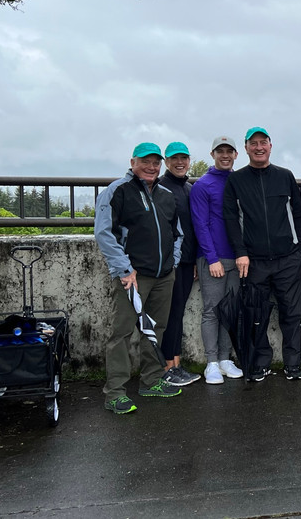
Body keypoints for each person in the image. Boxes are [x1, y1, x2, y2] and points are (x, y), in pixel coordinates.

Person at [94, 142, 182, 414]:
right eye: (145, 161)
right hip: (132, 276)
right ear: (133, 162)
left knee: (156, 329)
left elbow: (177, 233)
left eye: (156, 162)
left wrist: (173, 261)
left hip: (164, 275)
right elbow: (104, 233)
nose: (151, 167)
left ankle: (151, 381)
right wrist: (124, 268)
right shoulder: (117, 190)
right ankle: (115, 393)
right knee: (121, 333)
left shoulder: (166, 195)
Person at [223, 127, 301, 382]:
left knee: (291, 314)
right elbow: (230, 219)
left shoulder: (285, 176)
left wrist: (299, 248)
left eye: (263, 142)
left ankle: (293, 363)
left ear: (271, 146)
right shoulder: (236, 180)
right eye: (254, 143)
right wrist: (240, 253)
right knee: (256, 316)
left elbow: (299, 214)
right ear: (246, 149)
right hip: (253, 261)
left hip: (288, 259)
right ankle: (260, 363)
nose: (259, 147)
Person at [190, 135, 244, 384]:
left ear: (235, 155)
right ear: (212, 154)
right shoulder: (203, 185)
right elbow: (200, 225)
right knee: (212, 310)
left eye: (229, 151)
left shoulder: (237, 181)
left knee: (229, 311)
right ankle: (211, 362)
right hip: (213, 258)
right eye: (220, 151)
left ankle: (225, 358)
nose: (225, 155)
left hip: (237, 258)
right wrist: (211, 259)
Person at [158, 141, 202, 387]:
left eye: (183, 158)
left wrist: (193, 260)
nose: (179, 162)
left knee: (178, 312)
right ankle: (167, 367)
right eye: (174, 158)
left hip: (186, 261)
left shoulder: (188, 188)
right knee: (170, 314)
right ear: (166, 161)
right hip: (169, 262)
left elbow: (192, 227)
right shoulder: (160, 187)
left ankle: (176, 364)